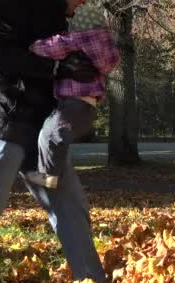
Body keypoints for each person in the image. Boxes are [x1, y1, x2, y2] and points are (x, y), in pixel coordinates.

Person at [0, 0, 111, 283]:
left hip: (40, 131)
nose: (84, 4)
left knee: (67, 201)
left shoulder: (63, 20)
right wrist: (58, 66)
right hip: (3, 120)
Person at [25, 3, 120, 189]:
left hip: (73, 105)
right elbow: (112, 62)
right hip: (89, 108)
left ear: (79, 24)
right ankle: (53, 174)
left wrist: (34, 46)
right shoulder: (106, 44)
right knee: (57, 140)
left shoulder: (76, 39)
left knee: (48, 136)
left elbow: (52, 47)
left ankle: (48, 176)